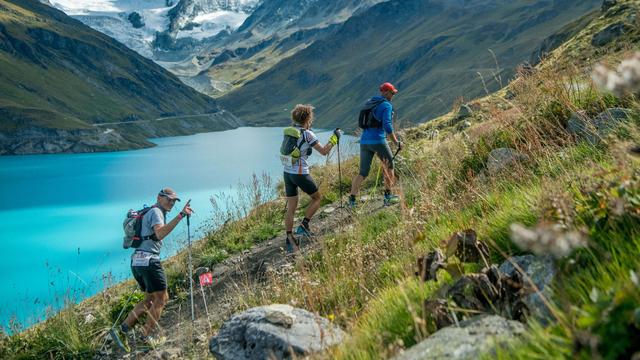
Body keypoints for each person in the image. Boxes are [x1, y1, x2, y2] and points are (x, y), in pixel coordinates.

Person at [113, 188, 193, 348]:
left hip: (136, 261)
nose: (171, 203)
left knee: (149, 299)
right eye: (168, 199)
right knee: (162, 299)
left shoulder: (149, 210)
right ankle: (145, 337)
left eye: (173, 201)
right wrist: (181, 215)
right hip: (149, 261)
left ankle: (123, 329)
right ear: (159, 197)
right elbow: (160, 234)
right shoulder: (156, 212)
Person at [283, 104, 341, 253]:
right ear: (308, 118)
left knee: (291, 206)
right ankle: (303, 226)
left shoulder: (290, 132)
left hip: (287, 172)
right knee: (317, 198)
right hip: (300, 172)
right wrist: (335, 138)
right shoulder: (308, 134)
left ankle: (289, 238)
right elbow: (324, 151)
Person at [349, 82, 402, 207]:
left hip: (364, 141)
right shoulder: (386, 105)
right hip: (378, 140)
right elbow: (387, 126)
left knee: (363, 172)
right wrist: (396, 142)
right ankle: (388, 197)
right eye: (392, 93)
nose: (393, 95)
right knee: (390, 166)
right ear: (385, 92)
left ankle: (351, 201)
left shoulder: (370, 103)